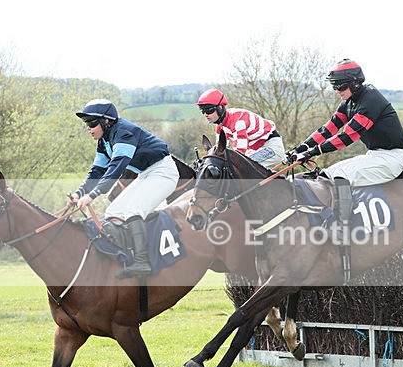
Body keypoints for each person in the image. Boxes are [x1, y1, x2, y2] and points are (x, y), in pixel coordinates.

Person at [285, 59, 403, 233]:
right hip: (374, 155)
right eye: (334, 87)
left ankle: (342, 227)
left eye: (340, 87)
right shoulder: (349, 102)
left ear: (355, 84)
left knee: (340, 175)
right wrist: (300, 149)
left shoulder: (370, 99)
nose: (337, 91)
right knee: (328, 173)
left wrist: (312, 152)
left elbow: (347, 137)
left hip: (390, 158)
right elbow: (328, 129)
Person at [70, 99, 178, 279]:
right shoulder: (103, 142)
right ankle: (127, 255)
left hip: (163, 172)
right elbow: (97, 171)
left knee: (133, 210)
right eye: (86, 124)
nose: (88, 128)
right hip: (145, 174)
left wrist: (93, 195)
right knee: (113, 210)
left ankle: (142, 261)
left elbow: (117, 167)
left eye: (91, 123)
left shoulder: (124, 133)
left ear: (107, 121)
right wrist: (78, 192)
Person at [196, 89, 286, 169]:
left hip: (272, 147)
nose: (206, 115)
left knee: (242, 168)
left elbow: (239, 154)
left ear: (220, 107)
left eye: (209, 110)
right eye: (202, 111)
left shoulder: (238, 122)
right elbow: (220, 151)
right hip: (256, 149)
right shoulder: (220, 126)